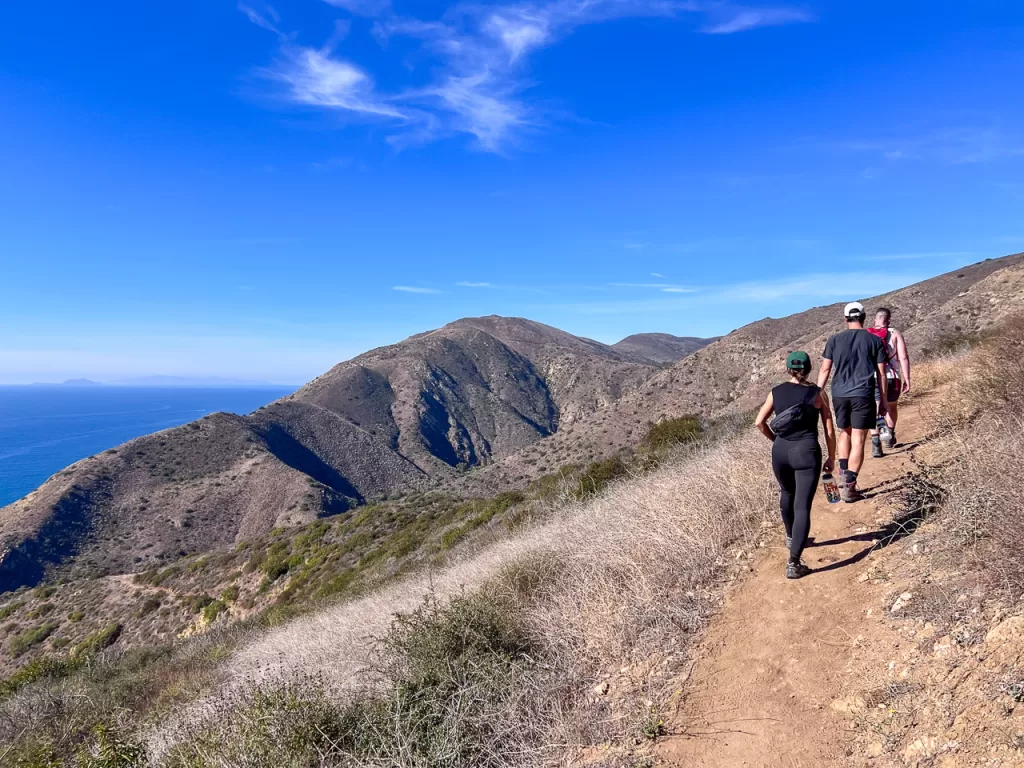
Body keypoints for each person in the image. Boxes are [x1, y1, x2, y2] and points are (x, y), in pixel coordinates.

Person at [755, 351, 837, 579]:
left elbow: (759, 422)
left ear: (788, 369)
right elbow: (829, 429)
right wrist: (832, 456)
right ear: (809, 368)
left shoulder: (776, 392)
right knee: (802, 506)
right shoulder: (818, 393)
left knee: (786, 493)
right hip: (806, 452)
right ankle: (793, 562)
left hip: (780, 451)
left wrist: (776, 441)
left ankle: (792, 537)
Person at [817, 302, 889, 502]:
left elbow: (825, 370)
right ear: (864, 317)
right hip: (863, 394)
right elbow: (881, 373)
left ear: (845, 319)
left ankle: (842, 471)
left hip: (839, 393)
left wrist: (816, 394)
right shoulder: (874, 341)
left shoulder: (834, 340)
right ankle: (849, 485)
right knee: (859, 437)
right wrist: (883, 400)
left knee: (844, 432)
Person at [867, 307, 911, 454]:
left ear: (875, 319)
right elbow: (903, 357)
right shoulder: (895, 333)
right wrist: (907, 379)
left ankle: (875, 442)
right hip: (892, 377)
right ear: (889, 320)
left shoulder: (866, 335)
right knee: (891, 407)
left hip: (871, 378)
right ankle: (889, 437)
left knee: (874, 409)